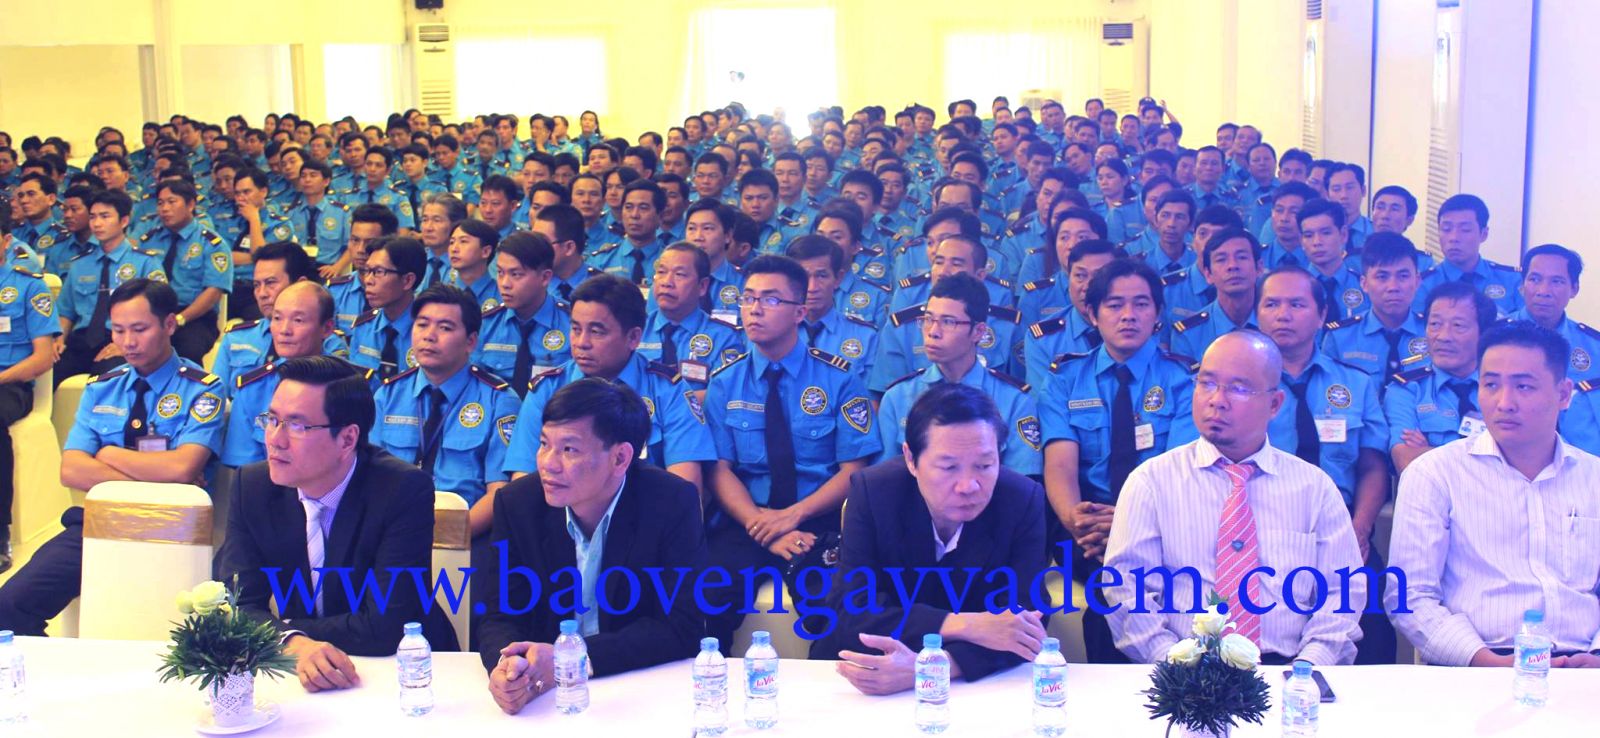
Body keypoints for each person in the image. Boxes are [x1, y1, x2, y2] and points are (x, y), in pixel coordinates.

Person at [1103, 330, 1365, 665]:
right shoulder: (1151, 482)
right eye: (1207, 383)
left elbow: (1342, 593)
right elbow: (1126, 590)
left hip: (1288, 668)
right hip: (1180, 670)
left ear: (1274, 404)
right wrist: (1173, 666)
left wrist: (1307, 668)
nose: (1217, 400)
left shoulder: (1314, 488)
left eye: (1238, 388)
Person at [216, 355, 458, 693]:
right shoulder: (252, 487)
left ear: (347, 439)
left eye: (297, 426)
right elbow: (237, 605)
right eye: (272, 420)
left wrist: (287, 629)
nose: (275, 439)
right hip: (303, 669)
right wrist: (293, 642)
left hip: (404, 671)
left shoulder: (402, 490)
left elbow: (387, 624)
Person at [0, 280, 224, 636]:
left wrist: (108, 454)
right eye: (118, 330)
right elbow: (71, 470)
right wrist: (161, 477)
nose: (128, 342)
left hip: (171, 528)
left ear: (168, 324)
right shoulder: (102, 387)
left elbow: (183, 467)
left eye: (139, 329)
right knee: (9, 606)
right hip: (100, 522)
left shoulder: (202, 387)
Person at [481, 379, 707, 714]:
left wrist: (570, 660)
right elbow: (498, 615)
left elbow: (681, 626)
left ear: (620, 458)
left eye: (569, 450)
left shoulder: (671, 502)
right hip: (547, 696)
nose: (548, 463)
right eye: (544, 444)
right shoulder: (517, 504)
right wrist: (510, 667)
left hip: (638, 686)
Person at [1387, 322, 1600, 668]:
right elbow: (1409, 595)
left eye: (1524, 386)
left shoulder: (1593, 478)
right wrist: (1485, 662)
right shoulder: (1435, 474)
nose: (1504, 403)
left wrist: (1596, 658)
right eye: (1490, 385)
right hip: (1477, 664)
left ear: (1563, 395)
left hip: (1583, 664)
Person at [812, 383, 1049, 692]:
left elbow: (1026, 625)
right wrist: (967, 624)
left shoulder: (1022, 499)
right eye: (949, 467)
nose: (968, 486)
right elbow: (851, 608)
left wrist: (935, 668)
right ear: (911, 459)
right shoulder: (873, 492)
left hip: (973, 683)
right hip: (869, 671)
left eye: (984, 465)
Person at [703, 254, 882, 644]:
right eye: (748, 298)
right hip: (747, 518)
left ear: (799, 312)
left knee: (837, 614)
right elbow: (719, 469)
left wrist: (793, 516)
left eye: (770, 299)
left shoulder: (840, 379)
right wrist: (763, 525)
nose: (754, 309)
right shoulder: (725, 382)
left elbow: (854, 471)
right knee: (706, 600)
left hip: (818, 519)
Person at [1040, 257, 1199, 662]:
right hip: (1088, 529)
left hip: (1164, 523)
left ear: (1157, 313)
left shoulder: (1185, 380)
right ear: (1092, 314)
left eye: (1141, 304)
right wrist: (1077, 522)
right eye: (1114, 305)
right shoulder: (1064, 380)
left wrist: (1132, 526)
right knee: (1110, 586)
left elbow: (1181, 471)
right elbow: (1060, 466)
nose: (1128, 315)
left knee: (1135, 581)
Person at [1257, 266, 1396, 663]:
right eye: (1272, 304)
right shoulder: (1239, 386)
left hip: (1342, 524)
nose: (1283, 314)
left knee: (1373, 630)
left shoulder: (1355, 383)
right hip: (1263, 526)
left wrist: (1359, 528)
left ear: (1321, 316)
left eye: (1297, 305)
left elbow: (1372, 466)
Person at [500, 273, 715, 487]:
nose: (581, 342)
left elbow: (685, 487)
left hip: (645, 507)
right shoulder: (547, 389)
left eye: (596, 332)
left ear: (633, 337)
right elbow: (523, 482)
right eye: (576, 329)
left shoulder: (668, 390)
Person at [371, 284, 517, 546]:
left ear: (471, 341)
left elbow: (499, 492)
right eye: (422, 325)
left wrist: (449, 538)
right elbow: (367, 477)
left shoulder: (500, 401)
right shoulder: (387, 395)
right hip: (390, 533)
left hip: (467, 538)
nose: (429, 336)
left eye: (445, 328)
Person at [878, 272, 1042, 475]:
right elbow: (885, 480)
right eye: (928, 319)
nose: (933, 332)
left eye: (948, 322)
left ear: (978, 332)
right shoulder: (897, 398)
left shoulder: (1015, 402)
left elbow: (1022, 484)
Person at [222, 281, 354, 467]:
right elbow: (244, 468)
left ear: (327, 328)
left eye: (298, 320)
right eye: (277, 318)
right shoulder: (253, 389)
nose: (284, 330)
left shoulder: (352, 386)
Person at [872, 233, 1023, 393]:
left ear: (980, 275)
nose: (943, 271)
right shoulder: (903, 325)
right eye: (938, 262)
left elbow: (1017, 386)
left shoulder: (1007, 325)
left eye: (956, 264)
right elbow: (882, 393)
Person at [53, 189, 168, 382]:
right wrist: (58, 339)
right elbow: (66, 312)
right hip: (81, 340)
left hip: (124, 339)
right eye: (93, 217)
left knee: (107, 380)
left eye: (105, 216)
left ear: (124, 221)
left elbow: (160, 311)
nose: (97, 223)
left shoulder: (146, 263)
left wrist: (127, 344)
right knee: (46, 372)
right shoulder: (80, 264)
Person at [0, 204, 60, 571]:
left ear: (7, 241)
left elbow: (43, 357)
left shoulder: (28, 286)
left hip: (11, 385)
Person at [1385, 282, 1496, 473]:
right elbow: (1407, 461)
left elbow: (1521, 458)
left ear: (1484, 334)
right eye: (1435, 324)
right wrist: (1488, 461)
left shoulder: (1502, 388)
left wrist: (1430, 452)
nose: (1443, 336)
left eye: (1458, 326)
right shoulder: (1407, 389)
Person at [212, 241, 347, 395]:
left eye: (270, 283)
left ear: (300, 284)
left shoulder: (327, 342)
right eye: (256, 285)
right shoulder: (236, 337)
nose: (262, 293)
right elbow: (215, 396)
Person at [141, 178, 231, 362]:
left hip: (193, 317)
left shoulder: (212, 243)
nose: (164, 208)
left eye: (171, 202)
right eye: (160, 203)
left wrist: (180, 319)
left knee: (187, 349)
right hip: (154, 314)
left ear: (190, 204)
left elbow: (213, 291)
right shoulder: (150, 240)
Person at [472, 231, 573, 394]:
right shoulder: (486, 324)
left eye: (516, 274)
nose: (505, 283)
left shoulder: (572, 323)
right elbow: (474, 386)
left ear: (545, 278)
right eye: (500, 272)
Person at [1321, 232, 1429, 379]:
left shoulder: (1433, 335)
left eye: (1403, 276)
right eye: (1382, 277)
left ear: (1417, 281)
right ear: (1364, 283)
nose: (1393, 287)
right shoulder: (1340, 338)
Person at [639, 242, 742, 386]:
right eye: (661, 272)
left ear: (702, 286)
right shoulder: (636, 330)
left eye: (679, 274)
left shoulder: (723, 337)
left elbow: (723, 394)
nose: (666, 282)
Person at [786, 236, 879, 382]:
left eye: (822, 276)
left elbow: (870, 394)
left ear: (838, 278)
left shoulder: (866, 336)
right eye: (803, 276)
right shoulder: (773, 331)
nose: (812, 287)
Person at [1413, 194, 1523, 316]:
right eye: (1446, 229)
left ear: (1484, 234)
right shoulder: (1421, 285)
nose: (1454, 238)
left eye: (1465, 230)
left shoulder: (1512, 280)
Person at [1505, 244, 1600, 381]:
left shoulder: (1594, 347)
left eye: (1557, 282)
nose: (1543, 291)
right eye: (1534, 279)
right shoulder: (1492, 334)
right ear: (1522, 285)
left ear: (1574, 289)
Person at [1167, 227, 1263, 360]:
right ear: (1208, 274)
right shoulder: (1188, 334)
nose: (1232, 266)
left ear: (1259, 268)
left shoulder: (1278, 324)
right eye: (1221, 260)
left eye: (1241, 257)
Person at [348, 236, 425, 379]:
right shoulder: (363, 327)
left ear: (407, 280)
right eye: (367, 271)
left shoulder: (428, 332)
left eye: (378, 272)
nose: (368, 280)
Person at [328, 203, 396, 331]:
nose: (360, 249)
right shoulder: (334, 292)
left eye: (370, 242)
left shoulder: (399, 294)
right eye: (355, 240)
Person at [444, 218, 502, 311]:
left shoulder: (503, 296)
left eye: (463, 241)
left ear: (486, 251)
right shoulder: (442, 295)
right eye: (451, 242)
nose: (454, 249)